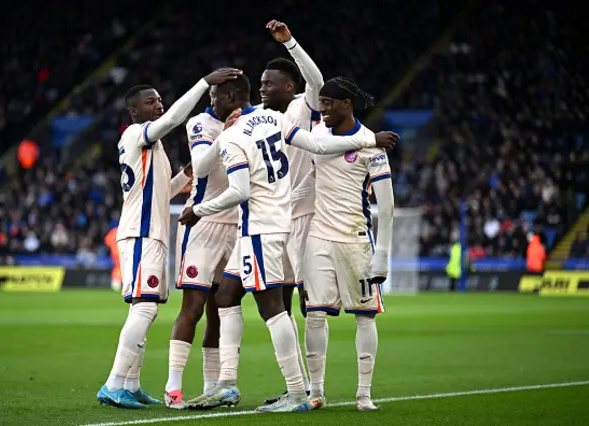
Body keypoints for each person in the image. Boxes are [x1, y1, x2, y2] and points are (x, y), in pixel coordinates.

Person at [178, 73, 399, 412]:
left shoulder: (237, 137)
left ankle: (297, 391)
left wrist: (199, 210)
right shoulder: (273, 119)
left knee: (271, 308)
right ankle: (226, 383)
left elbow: (239, 191)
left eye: (215, 98)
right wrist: (368, 141)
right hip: (266, 226)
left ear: (232, 97)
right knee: (226, 293)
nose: (211, 104)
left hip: (262, 228)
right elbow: (320, 147)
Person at [95, 67, 242, 409]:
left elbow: (166, 192)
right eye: (151, 102)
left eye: (159, 100)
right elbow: (177, 117)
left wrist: (187, 174)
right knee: (144, 307)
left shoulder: (153, 149)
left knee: (145, 308)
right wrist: (205, 81)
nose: (159, 105)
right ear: (134, 111)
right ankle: (114, 382)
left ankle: (130, 384)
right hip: (141, 234)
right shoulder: (135, 134)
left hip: (154, 235)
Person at [292, 77, 395, 412]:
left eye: (328, 103)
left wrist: (382, 254)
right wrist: (286, 205)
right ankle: (316, 391)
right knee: (314, 315)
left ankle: (364, 394)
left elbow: (387, 204)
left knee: (364, 317)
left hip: (355, 241)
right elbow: (313, 178)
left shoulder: (372, 147)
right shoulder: (320, 136)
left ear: (345, 105)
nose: (322, 109)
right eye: (320, 103)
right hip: (319, 238)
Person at [258, 19, 324, 402]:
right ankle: (294, 385)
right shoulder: (260, 118)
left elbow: (316, 80)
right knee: (279, 304)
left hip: (303, 217)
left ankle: (314, 388)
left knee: (305, 299)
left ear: (288, 87)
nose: (262, 88)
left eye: (268, 83)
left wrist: (291, 43)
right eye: (261, 83)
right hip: (272, 221)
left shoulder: (303, 106)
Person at [164, 99, 237, 409]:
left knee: (220, 311)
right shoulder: (200, 124)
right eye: (213, 95)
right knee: (192, 308)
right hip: (202, 223)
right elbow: (202, 163)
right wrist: (227, 134)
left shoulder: (248, 121)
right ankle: (173, 387)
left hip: (235, 224)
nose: (213, 99)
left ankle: (211, 388)